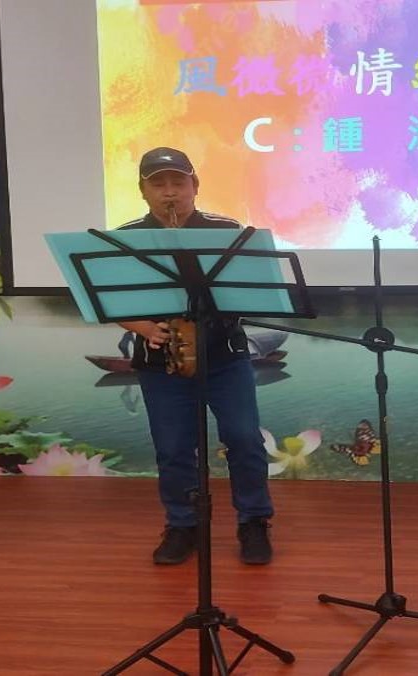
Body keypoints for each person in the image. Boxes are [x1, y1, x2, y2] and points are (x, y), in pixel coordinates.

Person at [117, 147, 274, 566]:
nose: (170, 192)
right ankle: (183, 525)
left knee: (244, 438)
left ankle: (254, 521)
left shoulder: (227, 231)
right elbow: (108, 301)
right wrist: (144, 328)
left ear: (195, 186)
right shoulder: (125, 238)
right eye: (158, 184)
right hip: (161, 359)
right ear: (143, 191)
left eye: (178, 182)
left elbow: (250, 290)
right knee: (172, 448)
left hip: (224, 354)